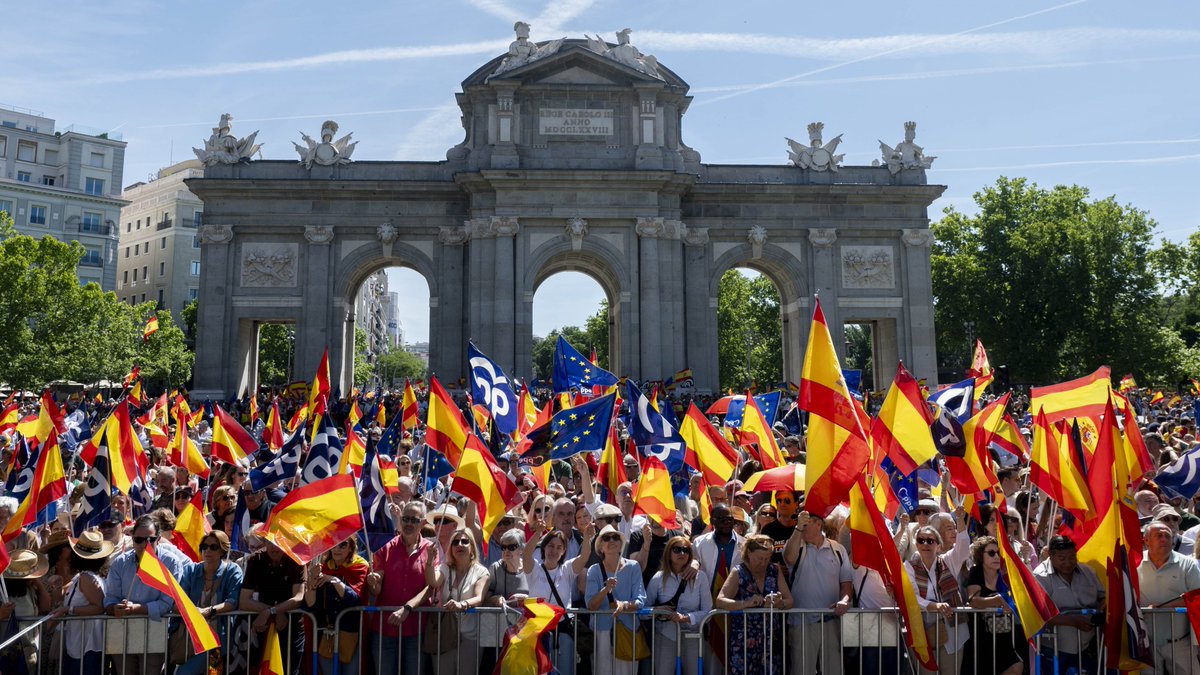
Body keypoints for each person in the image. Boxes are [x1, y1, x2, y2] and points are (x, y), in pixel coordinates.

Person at [366, 500, 435, 675]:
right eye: (406, 519)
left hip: (416, 629)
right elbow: (377, 589)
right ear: (400, 520)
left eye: (414, 520)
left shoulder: (431, 549)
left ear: (423, 523)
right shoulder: (385, 547)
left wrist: (407, 608)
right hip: (385, 628)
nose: (409, 523)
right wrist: (373, 583)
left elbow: (431, 587)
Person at [782, 510, 852, 675]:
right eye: (800, 522)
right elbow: (789, 558)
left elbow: (846, 583)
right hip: (802, 623)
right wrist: (798, 528)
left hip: (832, 622)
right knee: (802, 671)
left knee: (833, 671)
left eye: (805, 523)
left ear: (818, 523)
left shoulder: (838, 549)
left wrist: (844, 600)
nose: (801, 526)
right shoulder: (795, 544)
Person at [102, 515, 173, 675]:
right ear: (132, 538)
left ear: (159, 538)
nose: (144, 545)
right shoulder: (120, 562)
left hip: (155, 631)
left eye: (150, 539)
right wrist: (114, 608)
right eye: (139, 540)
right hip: (123, 632)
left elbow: (167, 604)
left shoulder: (170, 562)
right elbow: (110, 598)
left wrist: (136, 609)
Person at [714, 534, 792, 675]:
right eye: (759, 558)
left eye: (767, 558)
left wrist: (780, 603)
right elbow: (720, 601)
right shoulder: (738, 572)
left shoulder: (775, 570)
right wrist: (746, 603)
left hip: (770, 641)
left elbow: (790, 601)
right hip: (743, 640)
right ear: (749, 553)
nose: (763, 563)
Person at [523, 521, 594, 675]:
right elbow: (525, 554)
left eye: (559, 547)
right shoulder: (534, 569)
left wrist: (587, 538)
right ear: (544, 548)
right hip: (538, 633)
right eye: (550, 546)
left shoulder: (567, 569)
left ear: (563, 551)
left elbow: (584, 557)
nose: (554, 550)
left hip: (562, 631)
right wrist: (538, 533)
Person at [1033, 536, 1103, 674]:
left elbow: (1104, 597)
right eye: (1062, 558)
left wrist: (1101, 609)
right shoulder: (1040, 576)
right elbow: (1038, 613)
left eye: (1072, 557)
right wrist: (1073, 621)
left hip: (1087, 647)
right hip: (1053, 650)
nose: (1068, 562)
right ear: (1051, 556)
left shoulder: (1089, 572)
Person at [904, 524, 968, 675]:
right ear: (916, 545)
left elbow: (963, 548)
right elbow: (911, 597)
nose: (925, 544)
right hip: (921, 631)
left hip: (952, 631)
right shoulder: (908, 566)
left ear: (938, 546)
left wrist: (960, 520)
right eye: (921, 540)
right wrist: (934, 606)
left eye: (930, 541)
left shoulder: (948, 561)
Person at [177, 531, 243, 675]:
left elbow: (232, 602)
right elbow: (179, 600)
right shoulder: (191, 570)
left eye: (213, 547)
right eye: (204, 546)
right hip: (191, 639)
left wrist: (209, 611)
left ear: (222, 550)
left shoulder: (232, 571)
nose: (207, 550)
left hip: (217, 641)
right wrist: (193, 612)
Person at [239, 533, 305, 675]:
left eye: (277, 542)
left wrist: (270, 612)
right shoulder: (255, 560)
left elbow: (299, 598)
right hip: (262, 627)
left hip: (291, 629)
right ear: (264, 542)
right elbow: (243, 601)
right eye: (269, 542)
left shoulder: (297, 559)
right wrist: (271, 612)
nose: (274, 547)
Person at [1139, 520, 1200, 673]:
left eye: (1168, 536)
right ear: (1146, 540)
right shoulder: (1134, 562)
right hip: (1146, 643)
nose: (1164, 539)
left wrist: (1162, 607)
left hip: (1180, 642)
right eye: (1159, 535)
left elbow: (1196, 598)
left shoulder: (1188, 564)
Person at [586, 524, 647, 675]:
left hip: (628, 630)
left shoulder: (633, 567)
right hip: (602, 632)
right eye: (606, 538)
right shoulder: (594, 570)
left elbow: (640, 600)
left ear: (621, 544)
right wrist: (606, 589)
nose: (611, 540)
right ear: (600, 547)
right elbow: (591, 605)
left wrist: (624, 605)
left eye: (616, 537)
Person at [646, 536, 711, 675]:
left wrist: (686, 618)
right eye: (677, 549)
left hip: (693, 635)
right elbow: (643, 610)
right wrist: (656, 610)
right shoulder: (658, 578)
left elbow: (708, 611)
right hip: (665, 635)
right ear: (668, 552)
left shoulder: (701, 577)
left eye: (686, 550)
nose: (682, 553)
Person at [304, 537, 368, 675]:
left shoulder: (360, 566)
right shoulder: (324, 568)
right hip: (327, 635)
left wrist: (335, 581)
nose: (337, 549)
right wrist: (312, 581)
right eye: (334, 545)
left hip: (351, 635)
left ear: (351, 548)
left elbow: (356, 600)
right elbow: (311, 604)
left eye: (342, 545)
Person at [963, 535, 1025, 675]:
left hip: (1004, 637)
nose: (996, 556)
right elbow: (974, 601)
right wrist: (997, 600)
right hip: (981, 638)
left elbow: (1017, 599)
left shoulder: (1005, 573)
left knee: (1017, 666)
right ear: (981, 555)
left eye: (999, 553)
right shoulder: (976, 572)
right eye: (991, 553)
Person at [692, 504, 742, 675]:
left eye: (730, 519)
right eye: (722, 519)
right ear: (713, 521)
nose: (727, 523)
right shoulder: (699, 543)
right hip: (709, 608)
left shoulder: (745, 544)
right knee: (712, 658)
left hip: (736, 607)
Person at [54, 529, 112, 675]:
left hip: (86, 645)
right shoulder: (84, 576)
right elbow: (63, 596)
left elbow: (99, 608)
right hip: (80, 643)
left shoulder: (87, 578)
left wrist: (69, 609)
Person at [433, 528, 488, 675]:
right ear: (450, 548)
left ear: (472, 547)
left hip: (470, 636)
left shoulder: (481, 572)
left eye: (465, 541)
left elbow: (479, 597)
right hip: (445, 634)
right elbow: (432, 581)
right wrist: (429, 562)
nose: (460, 545)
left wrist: (462, 605)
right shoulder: (444, 568)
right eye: (455, 542)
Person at [481, 528, 530, 672]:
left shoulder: (530, 568)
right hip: (498, 632)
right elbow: (486, 599)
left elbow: (540, 596)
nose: (507, 551)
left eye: (512, 547)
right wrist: (496, 599)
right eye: (504, 547)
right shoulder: (495, 568)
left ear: (521, 549)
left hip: (524, 631)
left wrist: (525, 598)